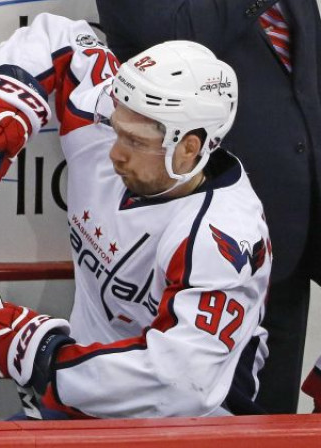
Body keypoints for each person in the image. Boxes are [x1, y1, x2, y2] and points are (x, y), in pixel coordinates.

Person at [0, 14, 271, 418]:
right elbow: (58, 35)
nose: (114, 152)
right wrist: (13, 97)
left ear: (189, 148)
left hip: (186, 425)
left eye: (135, 141)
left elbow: (182, 382)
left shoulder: (223, 236)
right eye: (117, 130)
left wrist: (44, 356)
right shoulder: (113, 117)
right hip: (82, 397)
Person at [94, 0, 321, 415]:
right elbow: (180, 36)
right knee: (197, 417)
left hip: (290, 232)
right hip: (193, 248)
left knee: (270, 422)